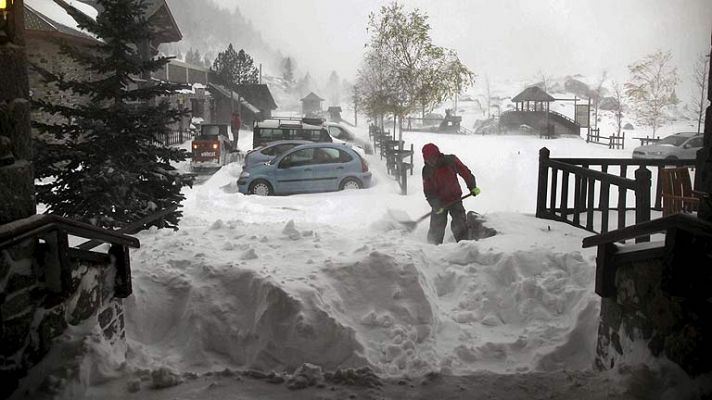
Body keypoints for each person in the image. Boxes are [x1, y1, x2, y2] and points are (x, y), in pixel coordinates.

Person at [421, 143, 480, 245]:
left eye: (432, 158)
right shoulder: (427, 170)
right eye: (428, 159)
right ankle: (432, 249)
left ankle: (464, 248)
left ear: (437, 155)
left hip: (455, 199)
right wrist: (435, 205)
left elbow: (465, 172)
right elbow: (428, 191)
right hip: (439, 202)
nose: (431, 161)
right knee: (436, 229)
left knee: (460, 225)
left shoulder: (450, 161)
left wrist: (472, 187)